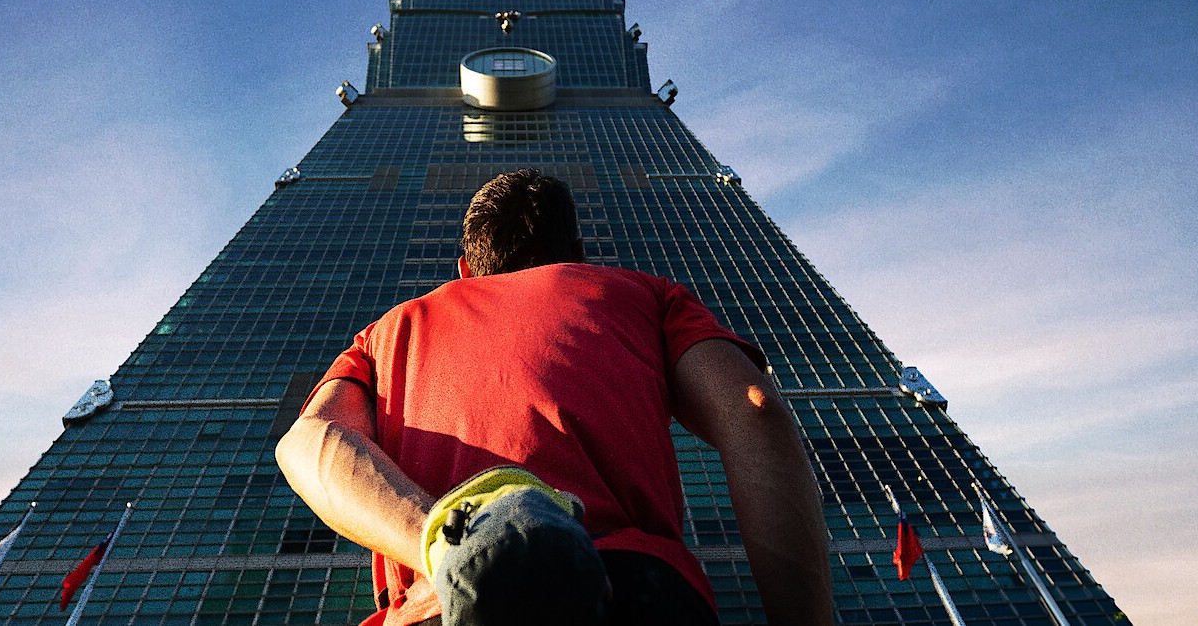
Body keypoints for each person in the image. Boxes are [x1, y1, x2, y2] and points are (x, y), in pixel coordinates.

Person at [276, 170, 833, 626]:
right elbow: (754, 408)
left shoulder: (390, 329)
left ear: (465, 271)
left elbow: (309, 442)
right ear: (578, 255)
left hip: (437, 604)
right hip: (631, 588)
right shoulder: (645, 295)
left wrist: (453, 546)